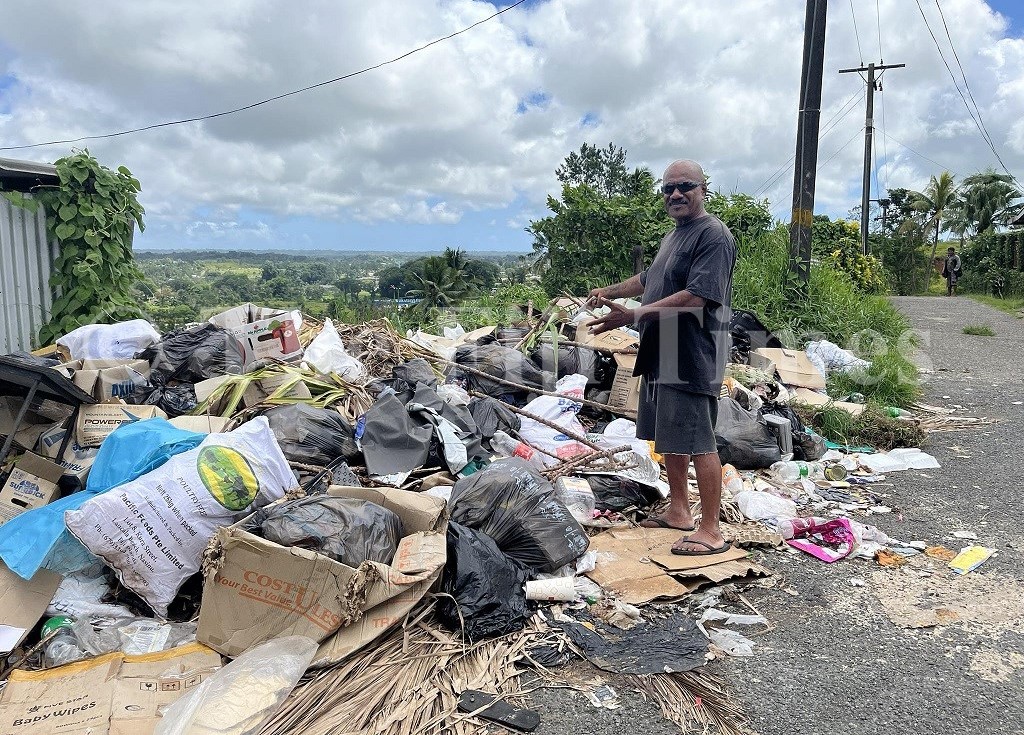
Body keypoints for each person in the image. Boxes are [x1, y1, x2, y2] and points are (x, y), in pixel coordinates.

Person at [586, 159, 737, 556]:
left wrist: (633, 314)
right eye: (668, 188)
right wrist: (612, 292)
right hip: (664, 349)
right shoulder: (675, 235)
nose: (675, 194)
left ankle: (710, 530)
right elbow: (648, 279)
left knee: (698, 439)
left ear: (704, 189)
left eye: (685, 186)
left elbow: (698, 296)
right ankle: (679, 511)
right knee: (671, 435)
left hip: (693, 352)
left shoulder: (713, 236)